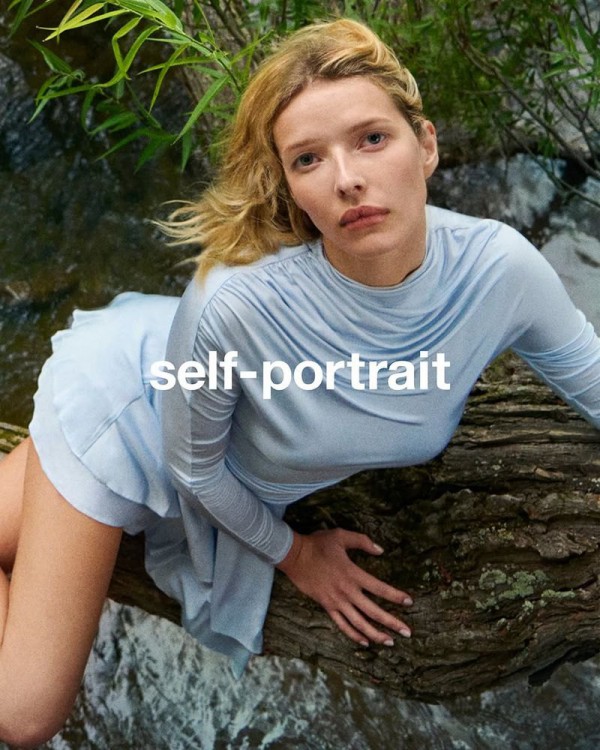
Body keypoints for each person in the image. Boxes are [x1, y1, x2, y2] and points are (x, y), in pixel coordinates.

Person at [1, 16, 599, 747]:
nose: (347, 178)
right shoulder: (233, 304)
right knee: (25, 716)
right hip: (134, 419)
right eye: (308, 159)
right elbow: (193, 467)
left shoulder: (500, 269)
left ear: (427, 144)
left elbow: (591, 377)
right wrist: (297, 555)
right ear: (289, 183)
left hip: (193, 403)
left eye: (371, 138)